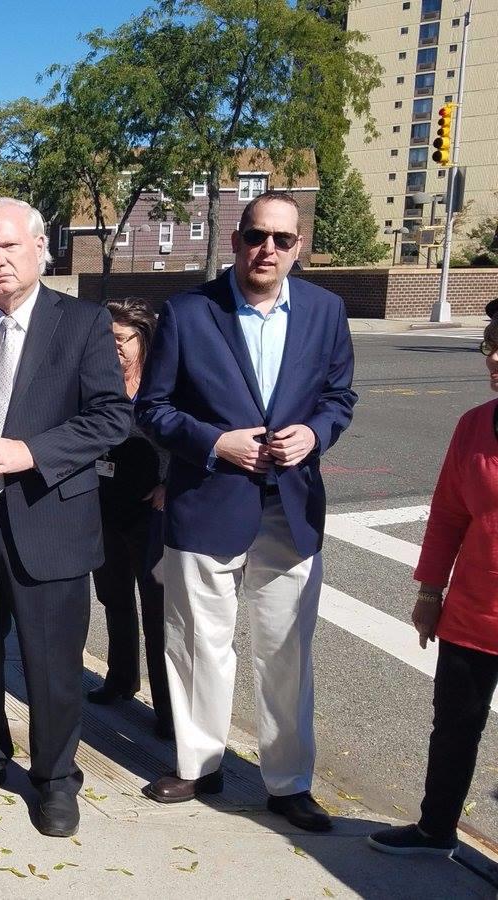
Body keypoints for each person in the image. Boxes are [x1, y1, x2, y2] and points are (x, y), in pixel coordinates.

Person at [136, 190, 357, 832]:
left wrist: (315, 433)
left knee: (286, 650)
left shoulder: (325, 310)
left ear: (298, 247)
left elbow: (339, 397)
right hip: (207, 500)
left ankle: (288, 782)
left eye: (282, 239)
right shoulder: (188, 311)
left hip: (291, 504)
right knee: (198, 641)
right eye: (257, 235)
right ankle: (199, 763)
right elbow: (153, 408)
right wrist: (216, 443)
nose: (268, 249)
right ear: (236, 239)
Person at [0, 197, 131, 838]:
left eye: (9, 246)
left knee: (52, 664)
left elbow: (112, 418)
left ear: (41, 248)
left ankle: (55, 778)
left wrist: (30, 452)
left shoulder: (84, 324)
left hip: (49, 519)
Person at [369, 314, 498, 856]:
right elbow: (448, 514)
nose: (495, 359)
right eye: (491, 344)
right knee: (453, 729)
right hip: (474, 612)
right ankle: (434, 828)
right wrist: (429, 593)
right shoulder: (474, 425)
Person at [86, 297, 173, 740]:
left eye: (122, 339)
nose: (114, 347)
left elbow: (185, 438)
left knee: (157, 611)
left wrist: (169, 483)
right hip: (105, 506)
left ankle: (168, 709)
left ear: (143, 340)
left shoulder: (162, 384)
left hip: (150, 511)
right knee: (114, 597)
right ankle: (121, 679)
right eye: (109, 339)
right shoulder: (97, 381)